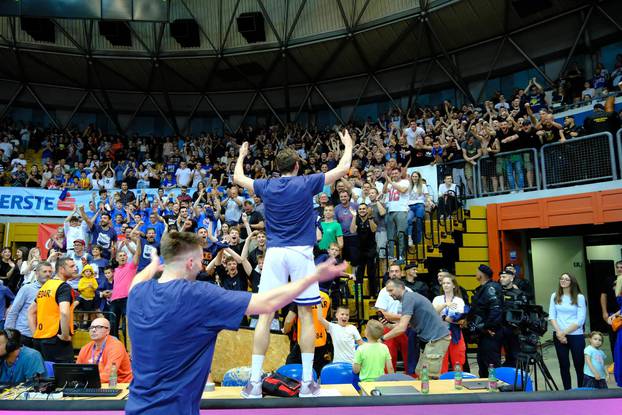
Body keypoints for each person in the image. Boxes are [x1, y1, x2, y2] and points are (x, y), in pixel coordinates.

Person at [125, 231, 348, 414]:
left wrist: (152, 265)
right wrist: (312, 277)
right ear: (190, 262)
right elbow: (267, 303)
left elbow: (136, 281)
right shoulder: (198, 295)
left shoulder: (138, 293)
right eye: (201, 262)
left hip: (134, 408)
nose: (203, 267)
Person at [233, 130, 353, 398]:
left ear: (277, 169)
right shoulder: (307, 182)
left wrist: (241, 156)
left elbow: (237, 178)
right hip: (301, 253)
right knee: (306, 316)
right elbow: (344, 168)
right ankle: (308, 383)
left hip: (275, 253)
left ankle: (253, 383)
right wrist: (347, 145)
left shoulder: (266, 185)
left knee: (265, 316)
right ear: (297, 166)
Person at [380, 278, 451, 378]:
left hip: (437, 339)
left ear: (401, 287)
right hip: (432, 340)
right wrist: (388, 325)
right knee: (420, 372)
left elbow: (401, 328)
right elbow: (406, 325)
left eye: (391, 290)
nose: (390, 294)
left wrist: (382, 338)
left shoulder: (408, 299)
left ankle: (431, 393)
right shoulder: (409, 298)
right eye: (388, 291)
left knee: (427, 376)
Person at [28, 257, 78, 363]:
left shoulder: (45, 286)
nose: (75, 269)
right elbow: (64, 312)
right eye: (72, 266)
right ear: (61, 269)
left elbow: (31, 311)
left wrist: (35, 334)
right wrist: (65, 335)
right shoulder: (63, 287)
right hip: (57, 339)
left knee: (46, 376)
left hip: (40, 340)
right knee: (65, 377)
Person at [548, 272, 587, 390]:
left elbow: (580, 320)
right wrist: (559, 333)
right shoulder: (554, 296)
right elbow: (552, 316)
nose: (563, 281)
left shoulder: (579, 297)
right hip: (559, 335)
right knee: (564, 365)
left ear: (572, 282)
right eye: (562, 278)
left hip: (575, 335)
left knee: (579, 365)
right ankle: (567, 390)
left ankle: (581, 389)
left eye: (566, 279)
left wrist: (563, 333)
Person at [4, 262, 53, 348]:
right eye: (44, 271)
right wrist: (9, 334)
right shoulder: (27, 288)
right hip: (24, 334)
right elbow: (14, 311)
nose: (48, 274)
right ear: (37, 273)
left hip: (43, 335)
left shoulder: (53, 290)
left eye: (50, 271)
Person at [468, 264, 503, 378]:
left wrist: (488, 327)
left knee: (492, 363)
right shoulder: (482, 289)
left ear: (482, 275)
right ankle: (484, 389)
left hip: (490, 333)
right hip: (482, 333)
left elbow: (496, 310)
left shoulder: (491, 288)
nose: (475, 273)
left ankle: (496, 387)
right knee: (482, 363)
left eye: (477, 271)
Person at [375, 264, 410, 373]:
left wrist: (403, 319)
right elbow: (382, 313)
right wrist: (403, 317)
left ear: (401, 273)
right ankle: (388, 381)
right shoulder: (384, 291)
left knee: (409, 356)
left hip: (406, 327)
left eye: (397, 271)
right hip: (389, 326)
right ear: (389, 274)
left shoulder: (408, 291)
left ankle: (413, 379)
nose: (394, 273)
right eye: (392, 271)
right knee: (389, 356)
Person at [76, 317, 132, 384]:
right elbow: (77, 372)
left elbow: (109, 375)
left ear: (107, 331)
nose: (93, 330)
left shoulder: (116, 346)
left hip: (120, 385)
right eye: (91, 327)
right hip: (95, 385)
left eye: (98, 327)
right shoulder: (85, 348)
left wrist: (85, 381)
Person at [432, 274, 467, 373]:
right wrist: (445, 305)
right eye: (443, 283)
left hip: (455, 332)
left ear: (454, 285)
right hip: (440, 333)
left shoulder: (459, 300)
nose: (445, 285)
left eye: (448, 283)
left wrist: (444, 317)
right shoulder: (437, 299)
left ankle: (458, 381)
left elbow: (460, 320)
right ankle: (443, 384)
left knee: (458, 360)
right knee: (441, 360)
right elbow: (433, 313)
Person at [110, 234, 141, 341]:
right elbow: (113, 255)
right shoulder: (115, 269)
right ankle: (115, 348)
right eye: (120, 256)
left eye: (124, 255)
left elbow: (137, 254)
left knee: (126, 325)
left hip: (126, 299)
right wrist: (118, 248)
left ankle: (128, 350)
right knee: (113, 326)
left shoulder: (132, 266)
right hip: (114, 300)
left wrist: (137, 243)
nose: (123, 257)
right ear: (117, 259)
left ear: (127, 257)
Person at [499, 267, 528, 368]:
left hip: (514, 330)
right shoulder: (497, 293)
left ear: (511, 278)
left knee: (516, 356)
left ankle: (520, 380)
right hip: (500, 328)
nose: (501, 279)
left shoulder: (519, 294)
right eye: (500, 277)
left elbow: (525, 312)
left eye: (504, 277)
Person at [601, 260, 621, 358]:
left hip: (620, 312)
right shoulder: (609, 279)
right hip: (612, 314)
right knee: (614, 339)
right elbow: (603, 295)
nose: (619, 269)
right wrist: (604, 312)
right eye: (617, 267)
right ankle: (616, 362)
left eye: (621, 267)